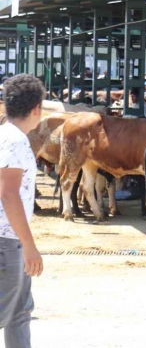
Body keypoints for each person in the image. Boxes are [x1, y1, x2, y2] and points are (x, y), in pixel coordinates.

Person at [0, 74, 46, 347]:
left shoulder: (5, 135)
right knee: (9, 310)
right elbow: (8, 194)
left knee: (20, 312)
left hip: (9, 239)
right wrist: (29, 245)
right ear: (36, 109)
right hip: (7, 240)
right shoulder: (15, 141)